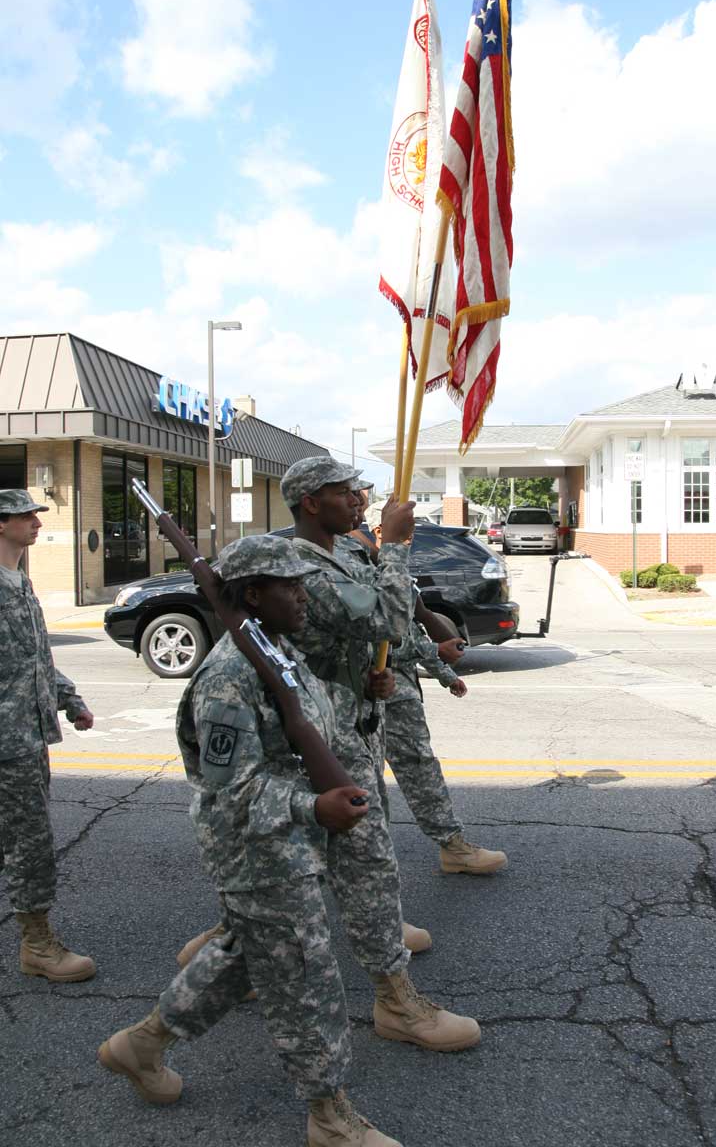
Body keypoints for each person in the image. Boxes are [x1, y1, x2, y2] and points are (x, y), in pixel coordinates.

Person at [98, 535, 403, 1147]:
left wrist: (365, 700)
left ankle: (142, 1044)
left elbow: (311, 721)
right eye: (290, 586)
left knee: (244, 955)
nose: (303, 594)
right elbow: (229, 792)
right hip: (258, 849)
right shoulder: (230, 677)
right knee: (305, 978)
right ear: (254, 594)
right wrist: (311, 804)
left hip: (292, 842)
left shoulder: (276, 648)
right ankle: (330, 1116)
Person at [283, 457, 480, 1052]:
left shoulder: (341, 552)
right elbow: (385, 615)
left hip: (354, 720)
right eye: (345, 492)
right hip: (323, 737)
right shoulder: (300, 563)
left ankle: (230, 948)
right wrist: (393, 546)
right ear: (312, 501)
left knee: (312, 862)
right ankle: (397, 1001)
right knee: (358, 858)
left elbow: (376, 635)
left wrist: (377, 673)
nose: (359, 499)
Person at [361, 504, 508, 876]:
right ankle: (354, 867)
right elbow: (382, 639)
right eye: (403, 533)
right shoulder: (363, 568)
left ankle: (452, 846)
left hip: (401, 691)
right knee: (363, 780)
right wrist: (434, 656)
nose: (409, 541)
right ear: (380, 530)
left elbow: (413, 630)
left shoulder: (395, 570)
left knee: (420, 767)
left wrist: (442, 669)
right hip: (374, 689)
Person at [0, 489, 95, 982]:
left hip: (27, 736)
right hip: (6, 742)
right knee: (29, 842)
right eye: (25, 516)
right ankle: (38, 944)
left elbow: (36, 658)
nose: (37, 522)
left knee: (15, 840)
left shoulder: (20, 581)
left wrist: (69, 698)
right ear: (1, 524)